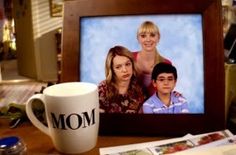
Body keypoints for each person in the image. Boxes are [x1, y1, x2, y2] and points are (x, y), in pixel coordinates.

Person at [98, 45, 145, 113]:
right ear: (112, 70)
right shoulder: (102, 89)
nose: (125, 70)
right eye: (118, 67)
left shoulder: (140, 90)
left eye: (127, 64)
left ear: (132, 64)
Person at [133, 21, 171, 97]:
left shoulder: (166, 64)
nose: (148, 39)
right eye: (143, 36)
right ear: (138, 38)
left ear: (158, 38)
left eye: (152, 35)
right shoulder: (129, 58)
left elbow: (165, 94)